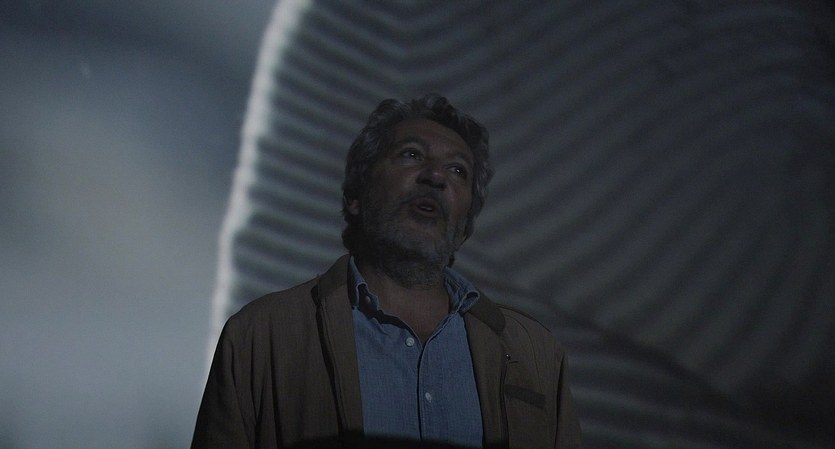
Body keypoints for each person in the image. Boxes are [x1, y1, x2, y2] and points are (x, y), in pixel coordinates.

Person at [191, 94, 582, 448]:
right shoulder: (260, 336)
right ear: (356, 196)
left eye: (457, 170)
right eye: (411, 155)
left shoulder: (536, 353)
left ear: (464, 228)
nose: (436, 176)